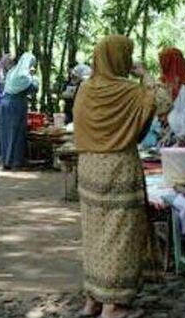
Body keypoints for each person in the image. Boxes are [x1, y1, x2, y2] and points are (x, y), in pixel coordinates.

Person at [74, 35, 170, 318]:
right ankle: (113, 306)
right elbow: (164, 104)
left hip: (89, 166)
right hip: (118, 168)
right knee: (120, 236)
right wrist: (146, 75)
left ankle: (93, 299)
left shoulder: (85, 89)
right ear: (121, 59)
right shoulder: (128, 91)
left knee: (94, 234)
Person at [0, 53, 38, 170]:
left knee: (6, 133)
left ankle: (6, 159)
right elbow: (32, 88)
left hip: (5, 103)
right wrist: (34, 79)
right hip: (15, 104)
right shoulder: (23, 76)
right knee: (17, 132)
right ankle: (15, 161)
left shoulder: (12, 72)